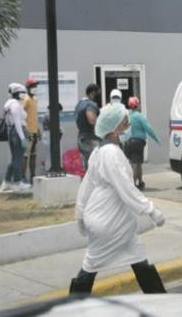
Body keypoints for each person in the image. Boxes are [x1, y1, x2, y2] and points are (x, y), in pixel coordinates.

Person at [70, 103, 166, 295]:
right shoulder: (111, 154)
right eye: (124, 121)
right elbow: (127, 189)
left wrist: (80, 215)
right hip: (108, 221)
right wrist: (151, 210)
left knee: (139, 261)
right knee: (90, 267)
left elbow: (86, 187)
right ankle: (72, 307)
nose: (128, 123)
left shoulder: (99, 152)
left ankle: (160, 302)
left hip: (115, 221)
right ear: (115, 127)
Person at [124, 97, 160, 191]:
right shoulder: (139, 116)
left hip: (127, 142)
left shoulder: (126, 115)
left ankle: (140, 182)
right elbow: (148, 128)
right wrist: (156, 139)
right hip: (138, 143)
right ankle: (132, 185)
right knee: (136, 163)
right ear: (137, 105)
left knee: (137, 163)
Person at [2, 83, 30, 191]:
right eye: (22, 93)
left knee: (14, 159)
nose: (24, 95)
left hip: (12, 132)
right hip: (18, 132)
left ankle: (6, 181)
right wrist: (22, 138)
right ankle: (18, 182)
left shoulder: (8, 104)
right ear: (17, 93)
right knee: (18, 159)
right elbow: (18, 122)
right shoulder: (15, 105)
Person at [74, 84, 101, 170]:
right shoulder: (90, 105)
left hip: (81, 137)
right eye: (98, 93)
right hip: (90, 139)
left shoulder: (79, 105)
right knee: (94, 163)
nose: (99, 95)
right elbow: (91, 119)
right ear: (92, 93)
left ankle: (88, 182)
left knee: (87, 162)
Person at [22, 78, 40, 181]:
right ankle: (23, 177)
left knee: (33, 155)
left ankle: (33, 176)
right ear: (28, 88)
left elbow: (34, 116)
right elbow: (21, 114)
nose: (35, 88)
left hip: (34, 131)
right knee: (25, 155)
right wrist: (25, 130)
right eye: (33, 86)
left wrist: (37, 129)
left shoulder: (35, 99)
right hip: (27, 132)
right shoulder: (26, 99)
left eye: (36, 86)